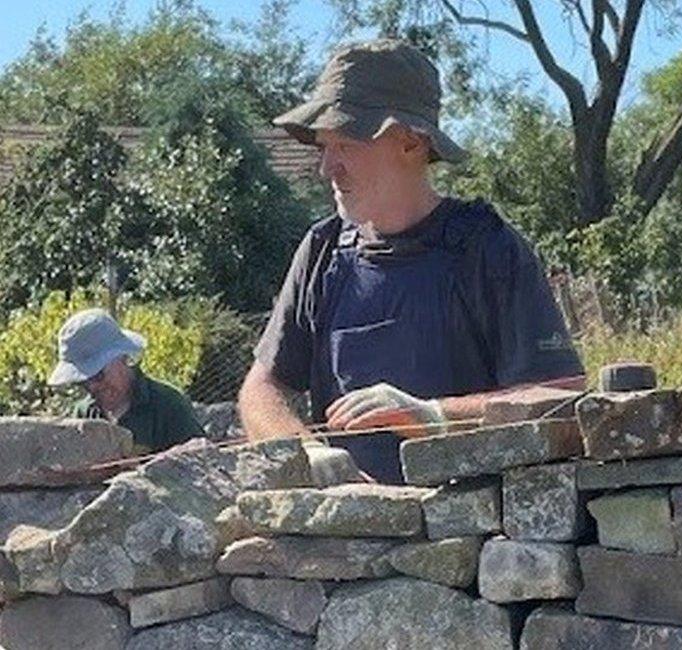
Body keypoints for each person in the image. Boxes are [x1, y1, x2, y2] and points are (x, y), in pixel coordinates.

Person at [239, 39, 584, 483]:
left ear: (410, 142)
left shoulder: (487, 247)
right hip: (342, 536)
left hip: (473, 538)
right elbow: (260, 390)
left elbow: (562, 397)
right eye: (323, 147)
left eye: (345, 143)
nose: (328, 168)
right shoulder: (321, 250)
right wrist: (305, 453)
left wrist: (435, 415)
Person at [49, 308, 203, 454]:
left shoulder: (169, 406)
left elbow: (203, 469)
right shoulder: (83, 414)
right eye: (81, 381)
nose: (92, 386)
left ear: (122, 357)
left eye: (97, 375)